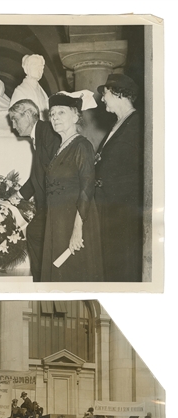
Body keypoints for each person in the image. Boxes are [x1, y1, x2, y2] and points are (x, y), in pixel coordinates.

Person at [41, 91, 103, 282]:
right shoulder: (60, 147)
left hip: (75, 218)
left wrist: (78, 228)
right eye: (52, 114)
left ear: (75, 115)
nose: (55, 118)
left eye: (60, 113)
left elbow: (86, 189)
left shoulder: (82, 145)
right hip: (57, 219)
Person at [95, 73, 143, 281]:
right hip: (108, 204)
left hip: (123, 207)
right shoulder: (118, 123)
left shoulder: (137, 123)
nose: (103, 99)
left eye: (105, 94)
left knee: (122, 263)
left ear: (117, 93)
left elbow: (135, 168)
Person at [8, 99, 60, 281]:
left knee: (36, 234)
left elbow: (55, 171)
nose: (13, 126)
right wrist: (15, 197)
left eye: (15, 119)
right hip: (48, 204)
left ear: (29, 114)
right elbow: (37, 176)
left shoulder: (47, 132)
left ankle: (43, 282)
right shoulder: (39, 135)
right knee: (35, 234)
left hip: (55, 205)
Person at [10, 55, 49, 120]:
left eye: (41, 67)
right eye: (35, 65)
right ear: (26, 69)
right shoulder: (20, 91)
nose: (39, 69)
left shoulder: (41, 90)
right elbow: (15, 116)